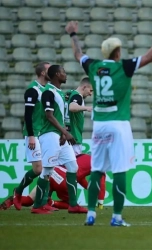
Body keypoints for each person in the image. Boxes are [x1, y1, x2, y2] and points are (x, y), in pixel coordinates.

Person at [65, 15, 152, 226]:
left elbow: (77, 53)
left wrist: (73, 34)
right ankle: (116, 217)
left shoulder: (93, 66)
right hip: (119, 124)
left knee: (97, 169)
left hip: (99, 124)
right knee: (119, 170)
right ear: (117, 52)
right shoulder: (124, 67)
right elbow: (151, 56)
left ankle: (91, 214)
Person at [32, 64, 87, 214]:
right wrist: (65, 132)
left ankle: (73, 205)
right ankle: (38, 206)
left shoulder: (59, 93)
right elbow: (49, 116)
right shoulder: (48, 92)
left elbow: (59, 117)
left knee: (73, 167)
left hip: (59, 135)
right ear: (56, 74)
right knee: (48, 169)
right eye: (63, 71)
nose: (65, 73)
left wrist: (63, 134)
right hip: (49, 135)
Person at [0, 154, 106, 210]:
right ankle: (51, 202)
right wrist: (100, 204)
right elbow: (101, 184)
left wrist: (88, 187)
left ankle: (12, 200)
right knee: (72, 204)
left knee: (29, 200)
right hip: (63, 179)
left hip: (51, 172)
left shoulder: (83, 157)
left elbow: (80, 178)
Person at [13, 62, 51, 210]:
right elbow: (27, 115)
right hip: (34, 133)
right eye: (49, 69)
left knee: (48, 167)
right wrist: (30, 136)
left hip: (45, 133)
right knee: (38, 169)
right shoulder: (33, 90)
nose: (52, 71)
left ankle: (43, 203)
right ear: (42, 73)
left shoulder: (47, 89)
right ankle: (18, 190)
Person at [64, 77, 93, 156]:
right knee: (74, 166)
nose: (91, 94)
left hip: (64, 135)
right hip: (74, 137)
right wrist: (87, 108)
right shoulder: (78, 97)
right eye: (90, 90)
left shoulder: (68, 94)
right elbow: (72, 107)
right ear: (84, 87)